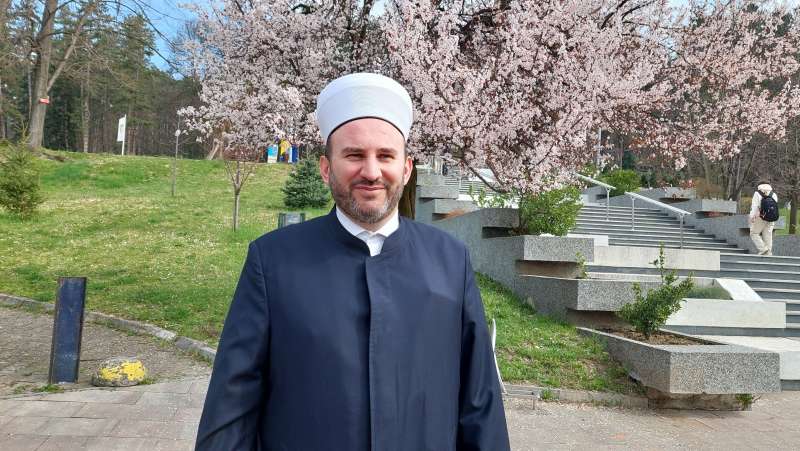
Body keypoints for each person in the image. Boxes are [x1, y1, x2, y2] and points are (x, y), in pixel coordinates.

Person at [195, 73, 510, 450]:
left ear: (406, 168)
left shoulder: (451, 260)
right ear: (326, 168)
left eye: (386, 156)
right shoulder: (272, 261)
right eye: (355, 155)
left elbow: (480, 402)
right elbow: (232, 406)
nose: (371, 172)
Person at [749, 181, 779, 256]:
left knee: (754, 233)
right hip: (771, 217)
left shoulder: (757, 193)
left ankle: (763, 249)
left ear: (759, 186)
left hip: (761, 217)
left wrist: (752, 217)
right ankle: (768, 253)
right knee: (768, 236)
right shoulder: (773, 194)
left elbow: (754, 206)